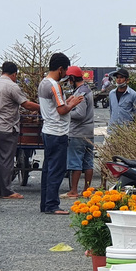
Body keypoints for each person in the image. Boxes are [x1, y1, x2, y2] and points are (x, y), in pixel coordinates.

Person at [0, 61, 40, 199]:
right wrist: (42, 107)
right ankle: (7, 191)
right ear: (14, 74)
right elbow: (26, 104)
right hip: (7, 127)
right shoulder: (12, 86)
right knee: (6, 160)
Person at [38, 52, 84, 215]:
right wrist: (73, 103)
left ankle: (45, 204)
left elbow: (53, 107)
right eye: (64, 71)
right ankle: (52, 205)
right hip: (58, 132)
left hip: (47, 130)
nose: (65, 75)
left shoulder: (43, 83)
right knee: (57, 170)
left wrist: (68, 101)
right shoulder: (55, 86)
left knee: (48, 169)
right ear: (60, 69)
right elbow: (62, 110)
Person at [60, 66, 94, 199]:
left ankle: (73, 191)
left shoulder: (81, 93)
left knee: (75, 162)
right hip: (88, 132)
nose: (68, 82)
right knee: (88, 162)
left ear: (73, 78)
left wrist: (65, 112)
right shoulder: (87, 90)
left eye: (69, 79)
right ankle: (86, 190)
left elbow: (79, 114)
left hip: (78, 132)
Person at [107, 67, 136, 133]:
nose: (118, 80)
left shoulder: (133, 95)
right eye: (117, 77)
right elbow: (111, 110)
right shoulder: (112, 94)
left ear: (127, 80)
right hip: (112, 130)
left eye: (121, 77)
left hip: (126, 131)